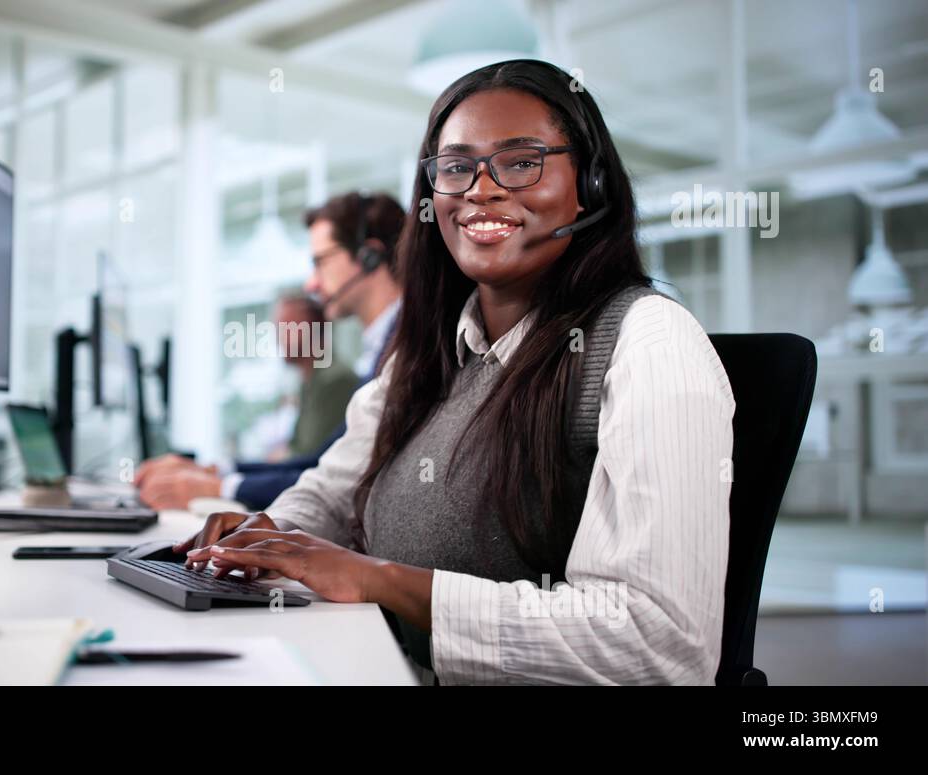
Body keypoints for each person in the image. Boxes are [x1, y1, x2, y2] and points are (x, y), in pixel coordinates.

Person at [173, 59, 735, 685]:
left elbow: (661, 643)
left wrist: (380, 580)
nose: (481, 189)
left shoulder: (649, 341)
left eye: (522, 161)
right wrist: (268, 532)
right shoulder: (432, 349)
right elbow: (333, 490)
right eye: (456, 166)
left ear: (591, 186)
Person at [135, 192, 405, 511]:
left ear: (368, 257)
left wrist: (219, 486)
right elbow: (322, 462)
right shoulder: (379, 347)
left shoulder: (408, 347)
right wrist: (220, 472)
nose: (312, 285)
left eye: (320, 262)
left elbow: (342, 477)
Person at [271, 292, 359, 460]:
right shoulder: (309, 383)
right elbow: (295, 447)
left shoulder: (336, 381)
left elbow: (310, 459)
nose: (279, 338)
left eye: (287, 328)